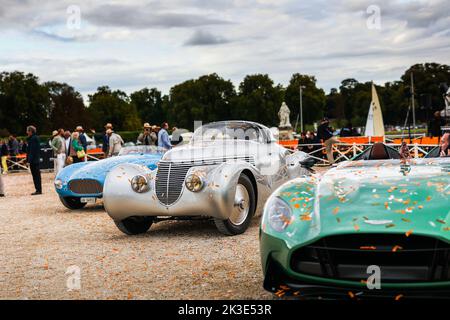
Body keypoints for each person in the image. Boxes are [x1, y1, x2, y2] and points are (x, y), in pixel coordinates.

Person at [26, 125, 42, 195]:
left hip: (34, 160)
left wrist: (29, 161)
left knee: (36, 176)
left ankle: (38, 190)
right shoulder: (34, 138)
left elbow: (32, 151)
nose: (26, 132)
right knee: (36, 175)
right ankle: (38, 189)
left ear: (30, 131)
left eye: (27, 131)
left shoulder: (33, 139)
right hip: (35, 160)